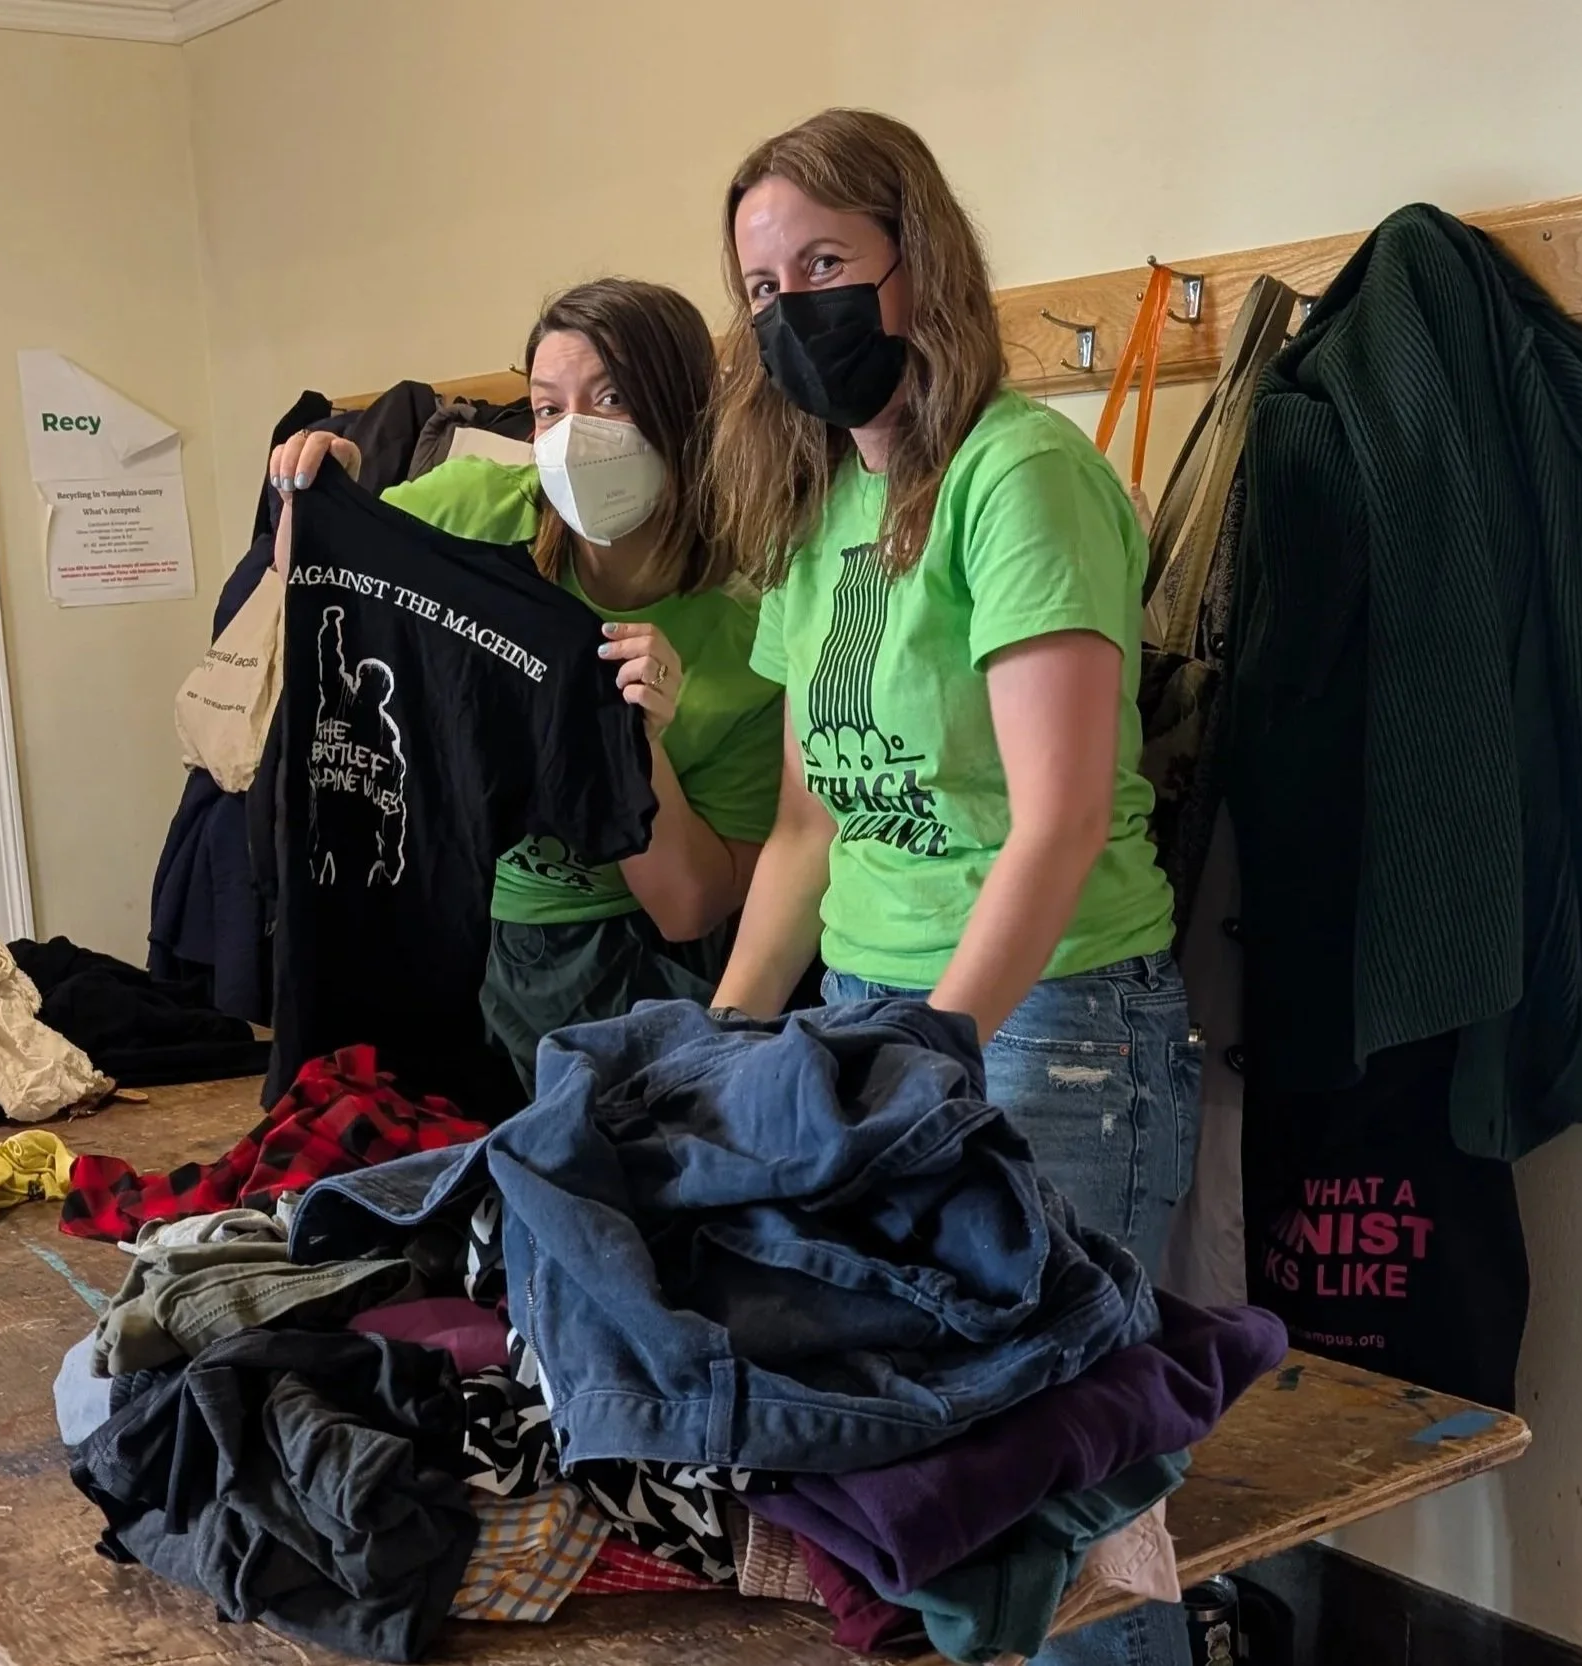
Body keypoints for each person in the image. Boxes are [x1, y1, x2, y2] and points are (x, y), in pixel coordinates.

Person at [705, 109, 1200, 1666]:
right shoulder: (817, 510)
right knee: (923, 1505)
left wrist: (938, 1045)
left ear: (921, 265)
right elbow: (804, 829)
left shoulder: (1023, 474)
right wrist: (722, 1036)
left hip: (1048, 1027)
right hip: (872, 1013)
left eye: (828, 263)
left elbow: (1054, 822)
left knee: (1065, 1512)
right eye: (765, 286)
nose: (796, 309)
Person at [267, 279, 782, 1091]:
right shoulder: (479, 512)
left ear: (685, 414)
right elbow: (315, 572)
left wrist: (635, 746)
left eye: (611, 399)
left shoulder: (747, 639)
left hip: (633, 963)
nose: (573, 434)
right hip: (451, 922)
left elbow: (690, 908)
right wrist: (325, 489)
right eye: (547, 409)